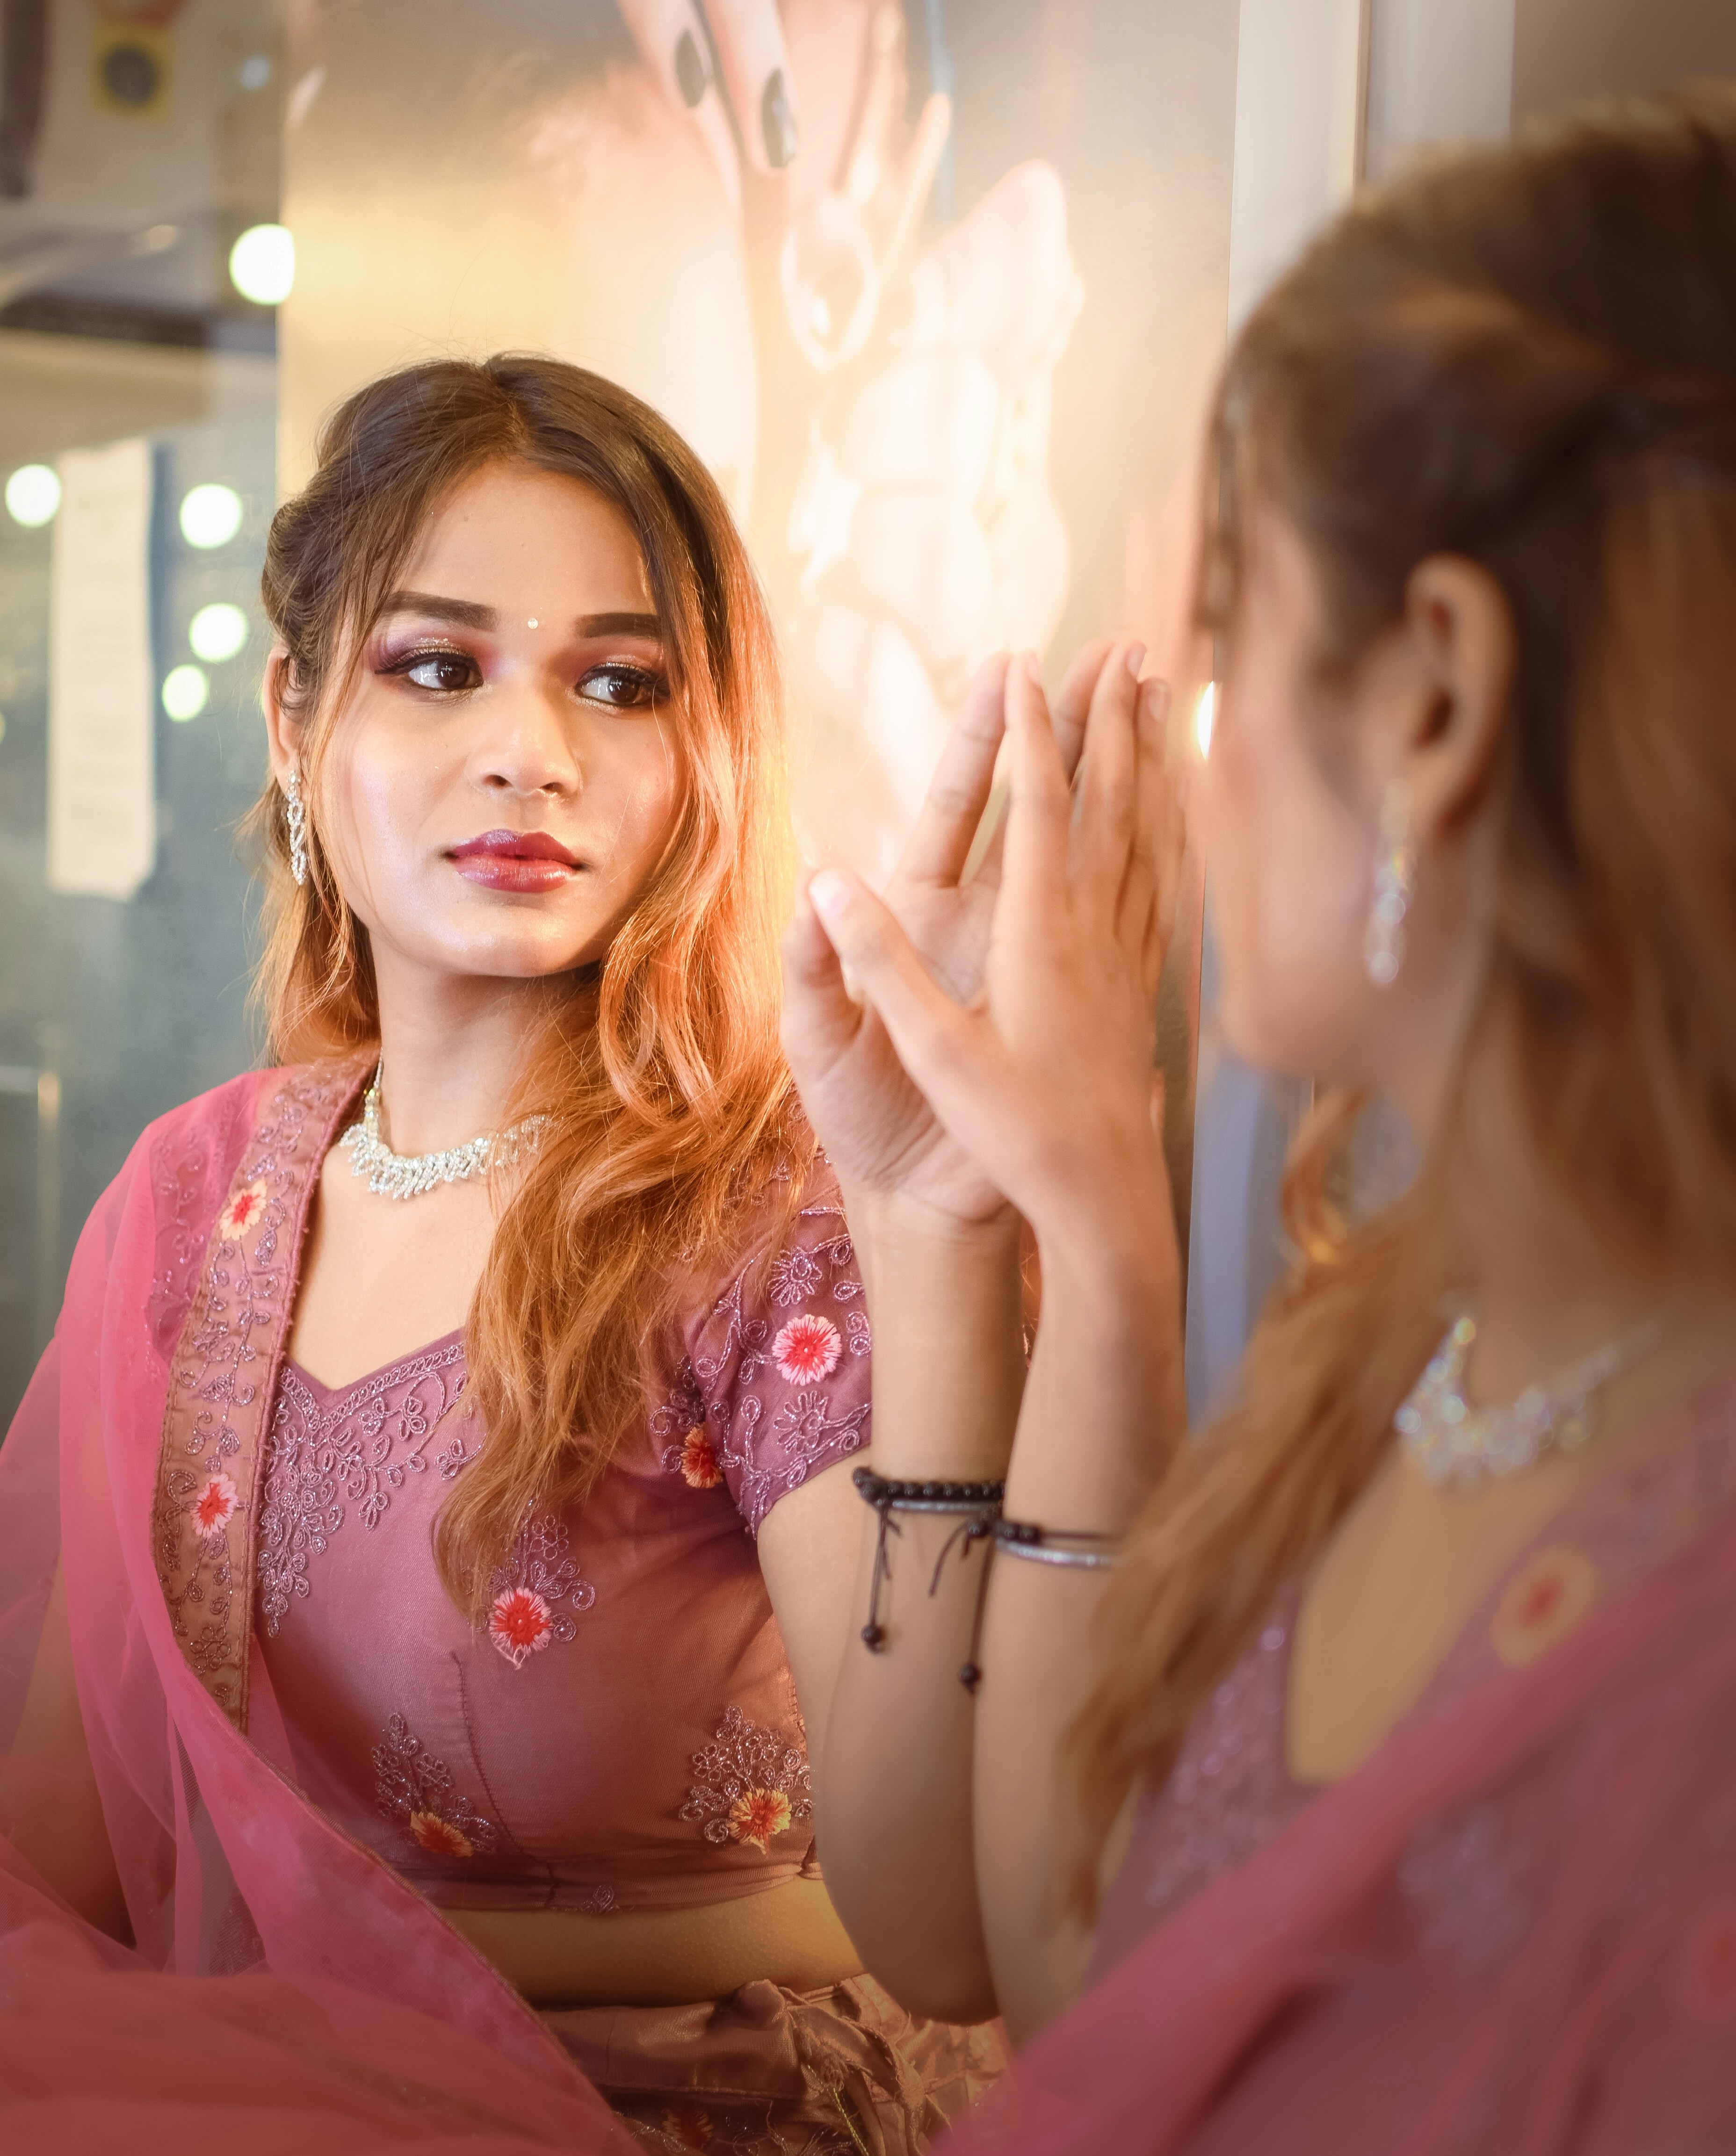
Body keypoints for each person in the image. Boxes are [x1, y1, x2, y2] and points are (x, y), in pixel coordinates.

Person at [780, 87, 1736, 2150]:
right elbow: (1057, 1971)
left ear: (1433, 698)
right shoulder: (1420, 1337)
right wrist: (1024, 1225)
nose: (1181, 739)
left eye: (1221, 625)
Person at [0, 354, 1002, 2153]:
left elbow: (947, 1893)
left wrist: (364, 1975)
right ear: (300, 713)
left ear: (701, 751)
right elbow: (66, 1853)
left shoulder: (780, 1217)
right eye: (438, 666)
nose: (532, 748)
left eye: (618, 682)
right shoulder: (192, 1197)